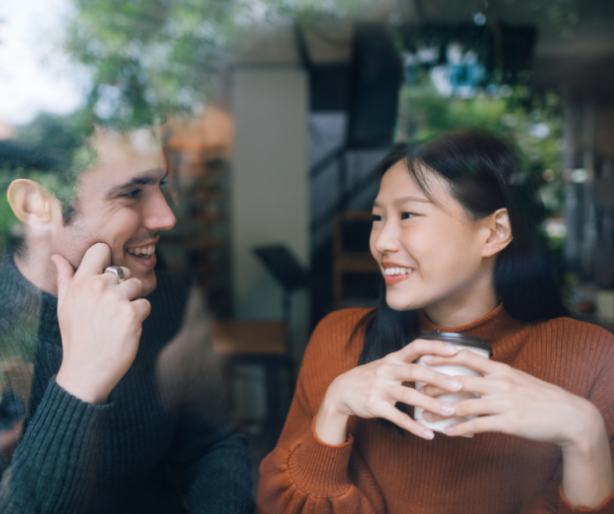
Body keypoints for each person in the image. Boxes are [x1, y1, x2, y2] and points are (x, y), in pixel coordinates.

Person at [0, 125, 254, 513]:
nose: (166, 216)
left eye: (161, 185)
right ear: (35, 205)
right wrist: (81, 381)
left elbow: (212, 444)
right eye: (132, 192)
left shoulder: (168, 303)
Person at [258, 130, 614, 514]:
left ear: (494, 233)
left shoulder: (591, 356)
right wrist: (334, 408)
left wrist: (584, 433)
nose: (382, 241)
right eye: (378, 218)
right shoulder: (339, 338)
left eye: (408, 215)